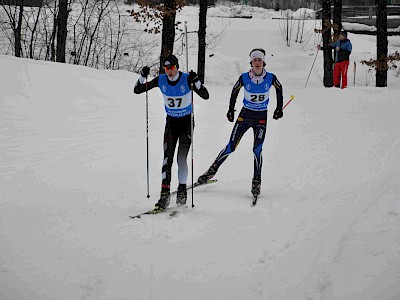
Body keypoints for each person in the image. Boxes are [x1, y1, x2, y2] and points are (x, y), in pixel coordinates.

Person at [197, 48, 284, 198]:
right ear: (251, 62)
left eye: (260, 60)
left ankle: (256, 181)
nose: (257, 63)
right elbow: (234, 91)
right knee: (231, 146)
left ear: (264, 62)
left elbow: (279, 88)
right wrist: (231, 110)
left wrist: (278, 108)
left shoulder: (271, 77)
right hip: (245, 115)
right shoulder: (244, 77)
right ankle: (211, 171)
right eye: (255, 60)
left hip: (261, 117)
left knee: (257, 150)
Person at [134, 55, 209, 210]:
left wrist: (196, 81)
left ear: (177, 67)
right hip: (171, 123)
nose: (169, 71)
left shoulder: (187, 79)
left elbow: (205, 95)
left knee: (181, 159)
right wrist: (142, 76)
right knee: (166, 160)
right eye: (167, 68)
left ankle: (182, 191)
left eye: (172, 68)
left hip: (186, 123)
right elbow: (137, 90)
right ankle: (164, 195)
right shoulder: (161, 80)